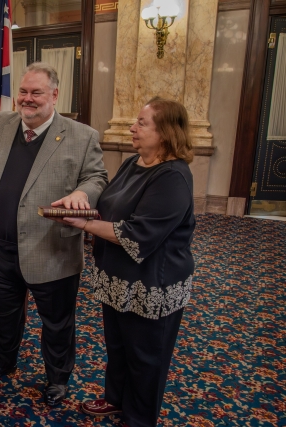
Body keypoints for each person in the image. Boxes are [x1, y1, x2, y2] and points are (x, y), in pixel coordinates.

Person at [0, 63, 108, 406]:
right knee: (3, 314)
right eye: (23, 91)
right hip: (1, 248)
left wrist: (84, 193)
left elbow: (97, 178)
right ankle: (3, 362)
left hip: (51, 249)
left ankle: (58, 380)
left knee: (57, 323)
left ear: (54, 95)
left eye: (36, 93)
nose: (27, 99)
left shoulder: (82, 136)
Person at [62, 97, 195, 427]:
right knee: (118, 348)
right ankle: (115, 400)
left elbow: (140, 233)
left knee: (146, 358)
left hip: (152, 285)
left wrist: (85, 225)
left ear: (165, 133)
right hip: (117, 280)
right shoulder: (132, 163)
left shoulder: (173, 177)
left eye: (141, 123)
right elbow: (111, 206)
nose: (132, 128)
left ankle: (138, 419)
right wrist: (81, 208)